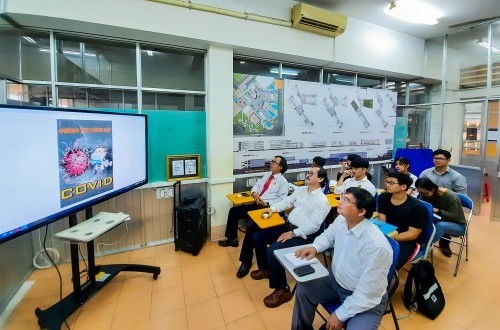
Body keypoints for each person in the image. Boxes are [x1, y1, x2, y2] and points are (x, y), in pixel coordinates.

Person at [291, 187, 392, 330]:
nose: (340, 201)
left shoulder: (376, 246)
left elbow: (368, 292)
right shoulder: (342, 220)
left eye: (346, 200)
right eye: (342, 197)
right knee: (304, 287)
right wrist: (315, 247)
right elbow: (328, 236)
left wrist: (340, 314)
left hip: (366, 298)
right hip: (336, 281)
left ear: (362, 211)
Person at [236, 167, 330, 296]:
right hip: (289, 227)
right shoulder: (301, 190)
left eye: (311, 174)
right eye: (308, 172)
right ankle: (265, 269)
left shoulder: (322, 201)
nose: (308, 175)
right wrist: (272, 209)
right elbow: (287, 202)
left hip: (304, 235)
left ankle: (282, 289)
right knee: (258, 236)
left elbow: (313, 226)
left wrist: (292, 234)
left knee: (273, 250)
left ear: (320, 179)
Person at [219, 156, 289, 247]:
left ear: (281, 167)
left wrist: (267, 203)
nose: (271, 164)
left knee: (251, 226)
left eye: (274, 162)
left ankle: (246, 257)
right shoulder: (267, 175)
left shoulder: (283, 182)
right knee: (234, 211)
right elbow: (256, 186)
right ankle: (232, 239)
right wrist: (255, 194)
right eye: (272, 161)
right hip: (256, 204)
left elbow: (282, 200)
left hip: (266, 209)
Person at [377, 173, 428, 269]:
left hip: (407, 240)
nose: (387, 185)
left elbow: (412, 234)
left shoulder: (418, 208)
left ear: (403, 187)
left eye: (391, 183)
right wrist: (382, 236)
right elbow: (382, 220)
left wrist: (391, 238)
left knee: (389, 267)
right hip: (388, 233)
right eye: (387, 182)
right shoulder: (383, 198)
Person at [415, 177, 466, 257]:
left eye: (425, 194)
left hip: (458, 225)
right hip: (439, 219)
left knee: (440, 226)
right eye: (420, 193)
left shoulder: (450, 196)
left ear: (432, 189)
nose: (423, 196)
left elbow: (454, 216)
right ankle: (417, 243)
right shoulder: (425, 193)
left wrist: (437, 211)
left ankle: (425, 247)